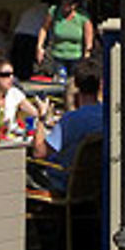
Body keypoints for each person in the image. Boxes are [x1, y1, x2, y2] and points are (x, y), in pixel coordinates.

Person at [30, 62, 104, 193]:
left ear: (75, 84)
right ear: (100, 85)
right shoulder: (105, 114)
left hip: (64, 181)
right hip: (94, 182)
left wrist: (41, 118)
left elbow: (39, 153)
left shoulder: (71, 120)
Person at [35, 0, 94, 80]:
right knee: (60, 81)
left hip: (76, 56)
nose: (67, 6)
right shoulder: (54, 11)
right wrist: (40, 46)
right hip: (58, 55)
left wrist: (87, 54)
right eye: (65, 3)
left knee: (73, 83)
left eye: (71, 4)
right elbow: (44, 28)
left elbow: (89, 37)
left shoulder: (82, 17)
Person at [0, 54, 45, 139]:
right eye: (6, 75)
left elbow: (35, 113)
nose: (11, 78)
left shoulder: (14, 93)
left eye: (12, 74)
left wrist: (42, 111)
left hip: (12, 139)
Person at [11, 0, 50, 80]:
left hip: (18, 35)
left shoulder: (32, 9)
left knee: (18, 64)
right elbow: (46, 27)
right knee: (28, 64)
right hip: (31, 37)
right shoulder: (48, 11)